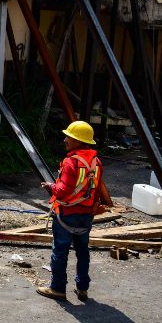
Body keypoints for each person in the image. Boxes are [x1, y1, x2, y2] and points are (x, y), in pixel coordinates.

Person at [36, 120, 103, 302]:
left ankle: (57, 289)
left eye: (70, 137)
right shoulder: (96, 162)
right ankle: (82, 288)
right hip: (87, 214)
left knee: (60, 251)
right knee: (83, 252)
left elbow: (63, 190)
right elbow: (96, 188)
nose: (65, 140)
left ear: (79, 142)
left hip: (67, 214)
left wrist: (50, 187)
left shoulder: (71, 162)